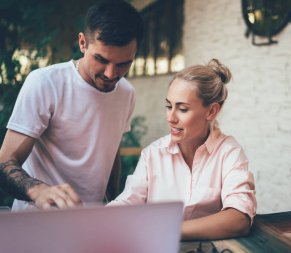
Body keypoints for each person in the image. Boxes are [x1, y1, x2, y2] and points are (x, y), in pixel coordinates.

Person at [0, 0, 143, 210]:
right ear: (83, 43)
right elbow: (5, 162)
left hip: (90, 224)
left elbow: (111, 153)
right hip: (37, 222)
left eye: (123, 64)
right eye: (101, 59)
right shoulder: (45, 83)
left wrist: (113, 205)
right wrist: (38, 190)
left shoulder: (126, 93)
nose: (111, 74)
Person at [108, 59, 257, 240]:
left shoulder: (229, 152)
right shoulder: (152, 154)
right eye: (169, 106)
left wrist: (168, 230)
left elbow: (239, 218)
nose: (170, 118)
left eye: (183, 109)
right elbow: (129, 201)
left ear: (211, 112)